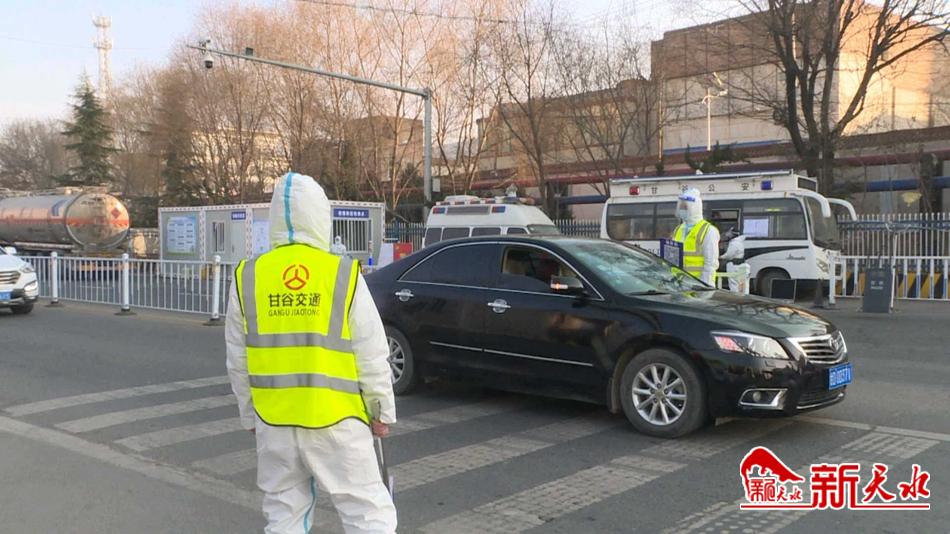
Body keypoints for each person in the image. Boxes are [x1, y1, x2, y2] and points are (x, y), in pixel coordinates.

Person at [225, 172, 397, 534]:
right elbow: (370, 352)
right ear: (321, 216)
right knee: (367, 513)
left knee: (285, 515)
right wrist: (381, 410)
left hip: (275, 422)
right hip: (336, 420)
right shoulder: (342, 274)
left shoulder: (248, 277)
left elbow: (238, 361)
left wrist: (249, 416)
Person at [672, 187, 720, 285]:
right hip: (679, 283)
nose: (682, 210)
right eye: (681, 207)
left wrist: (704, 287)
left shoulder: (708, 230)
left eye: (685, 207)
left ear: (695, 208)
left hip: (698, 284)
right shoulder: (678, 229)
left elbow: (710, 264)